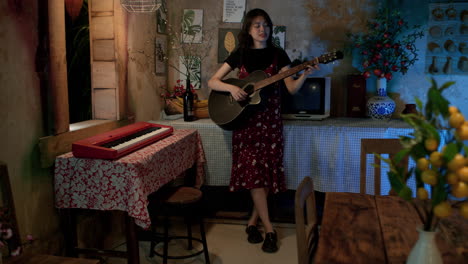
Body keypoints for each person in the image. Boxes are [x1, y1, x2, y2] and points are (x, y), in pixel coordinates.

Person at [208, 8, 318, 253]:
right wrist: (231, 89)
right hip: (246, 124)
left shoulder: (278, 55)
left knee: (265, 175)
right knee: (254, 176)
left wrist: (303, 75)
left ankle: (252, 222)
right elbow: (212, 81)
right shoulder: (241, 54)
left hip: (270, 124)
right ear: (248, 29)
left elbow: (290, 89)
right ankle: (270, 229)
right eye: (257, 24)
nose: (262, 28)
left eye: (266, 24)